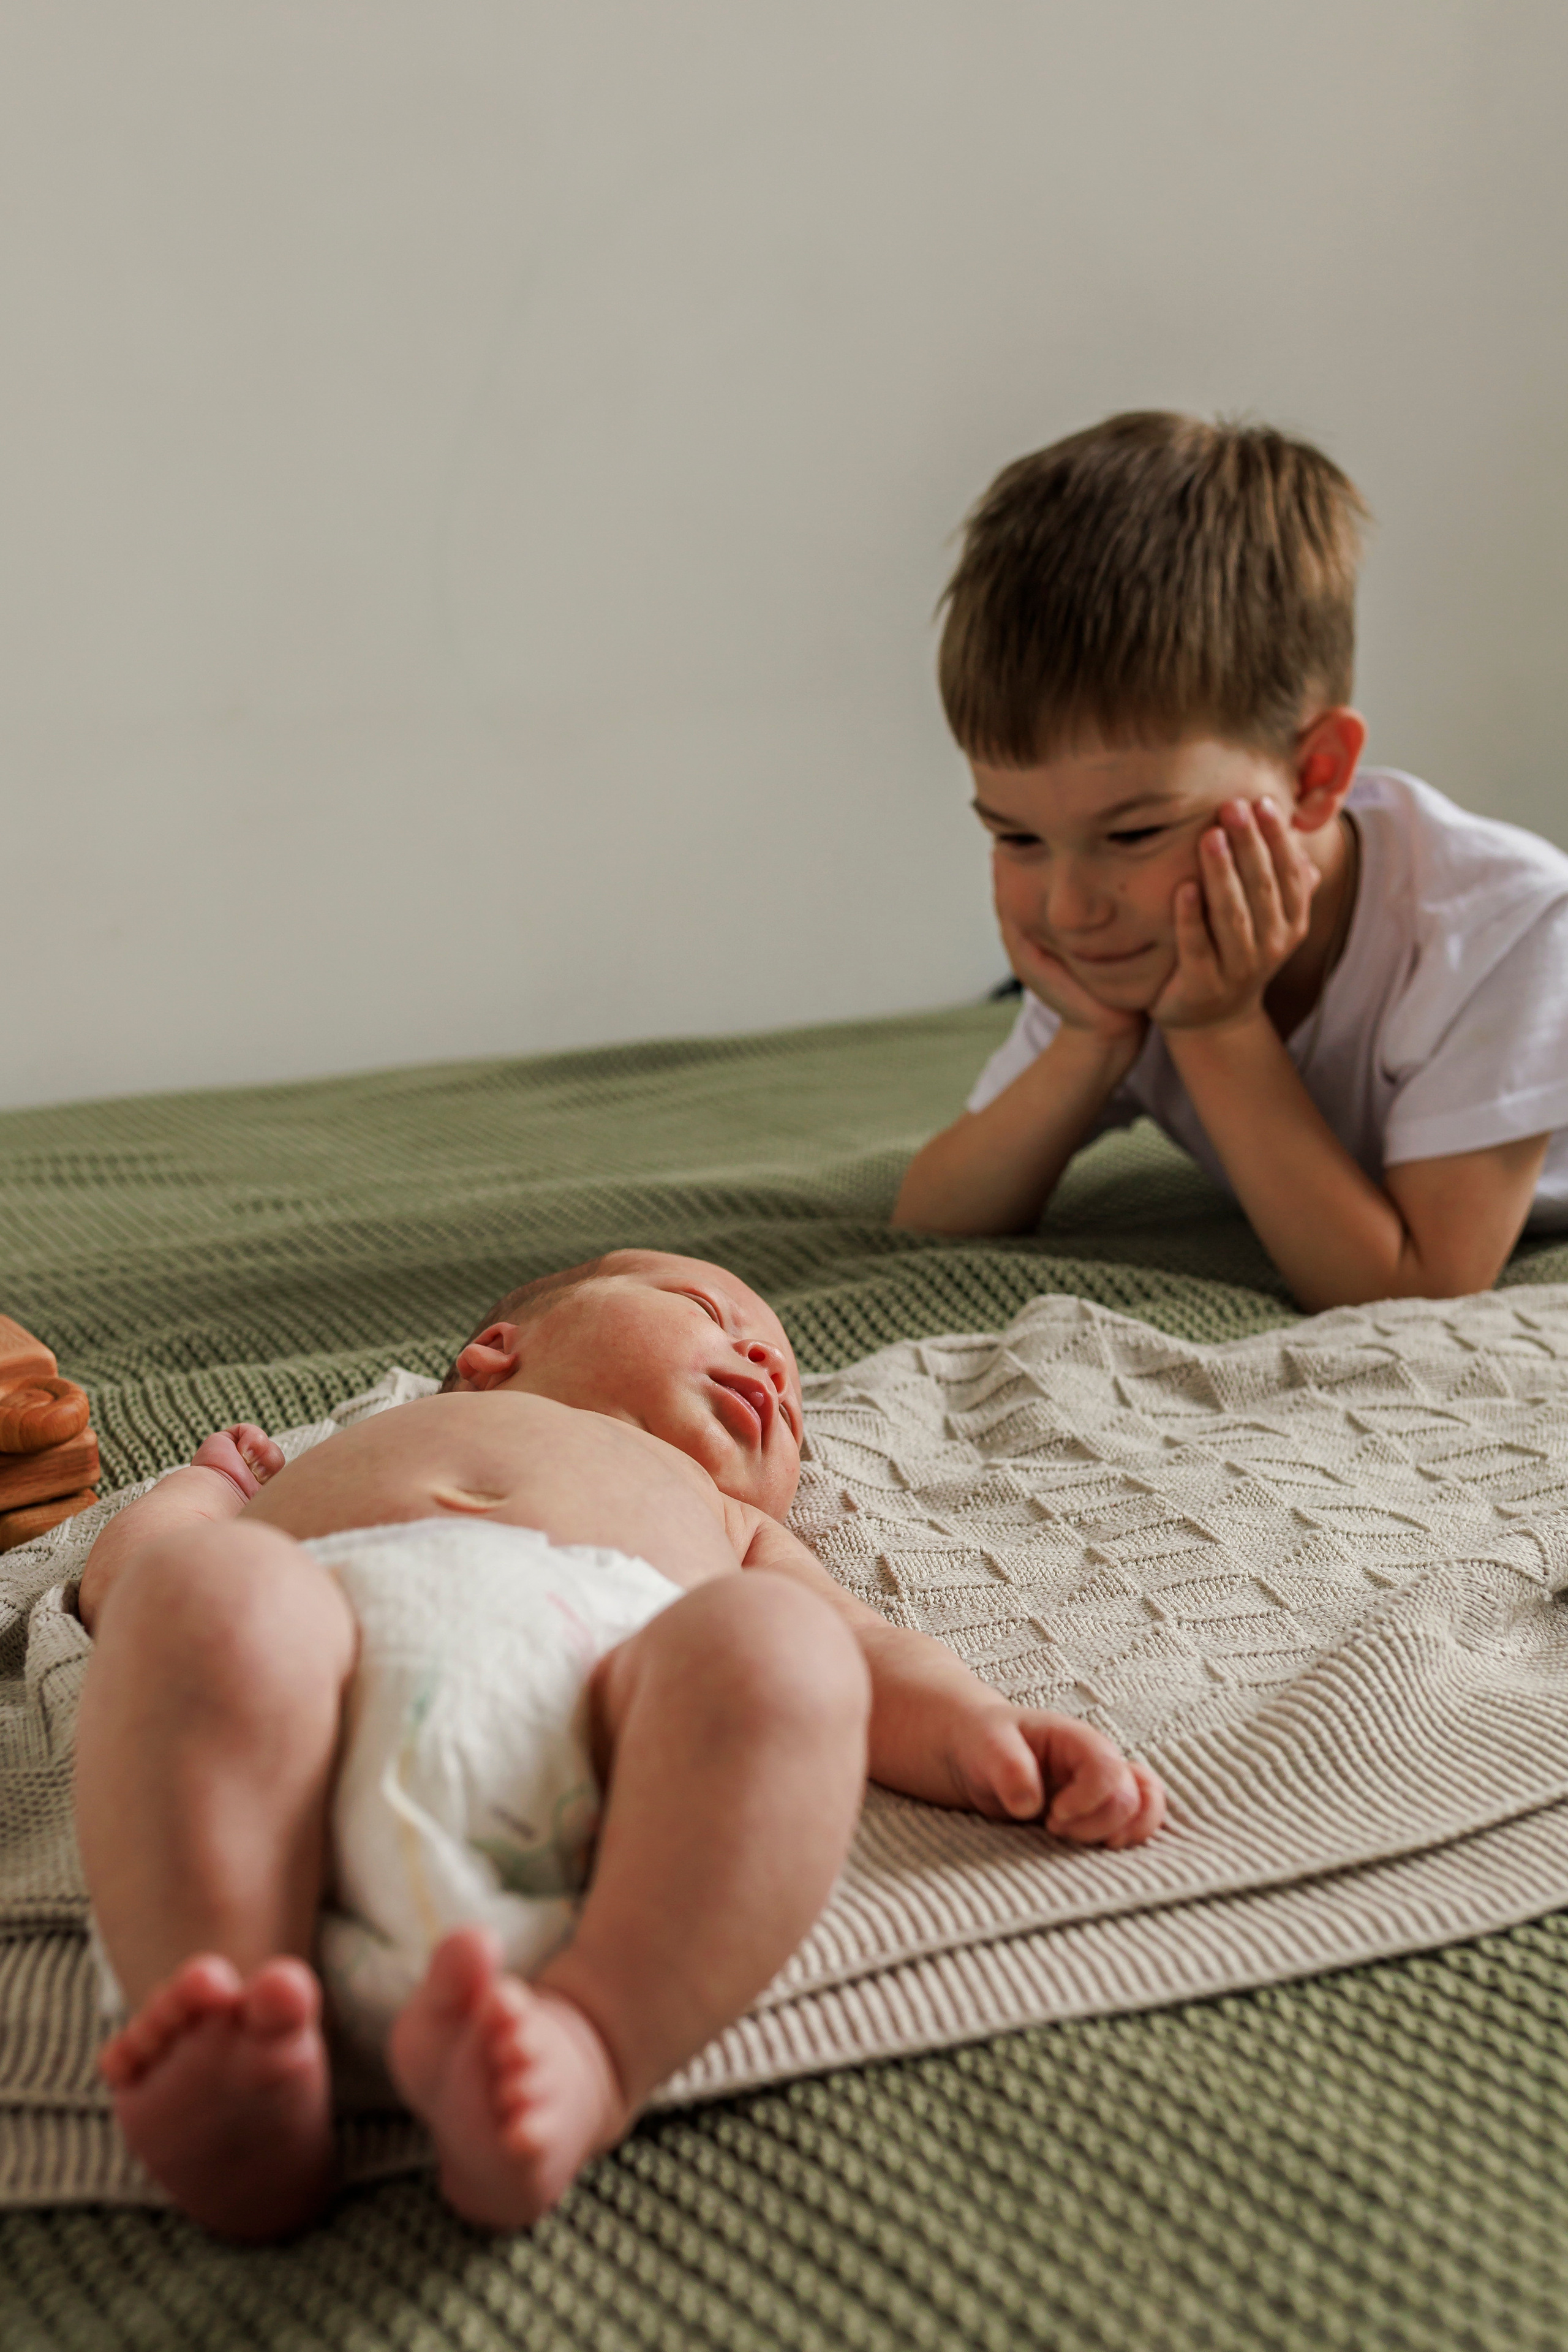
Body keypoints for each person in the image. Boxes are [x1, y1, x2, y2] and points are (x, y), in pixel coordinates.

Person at [72, 1248, 1166, 2242]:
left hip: (601, 1718)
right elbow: (130, 1583)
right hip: (297, 1734)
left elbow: (866, 1650)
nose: (767, 1366)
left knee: (783, 1650)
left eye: (791, 1395)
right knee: (205, 1591)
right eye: (706, 1309)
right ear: (498, 1353)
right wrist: (202, 1493)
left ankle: (591, 2042)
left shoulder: (731, 1520)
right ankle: (229, 2032)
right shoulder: (348, 1451)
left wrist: (981, 1729)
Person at [892, 412, 1568, 1308]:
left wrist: (1216, 1030)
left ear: (1316, 774)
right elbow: (932, 1215)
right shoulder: (1131, 941)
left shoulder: (1502, 925)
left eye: (1133, 835)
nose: (1070, 908)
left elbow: (1417, 1285)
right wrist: (1091, 1044)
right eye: (1017, 838)